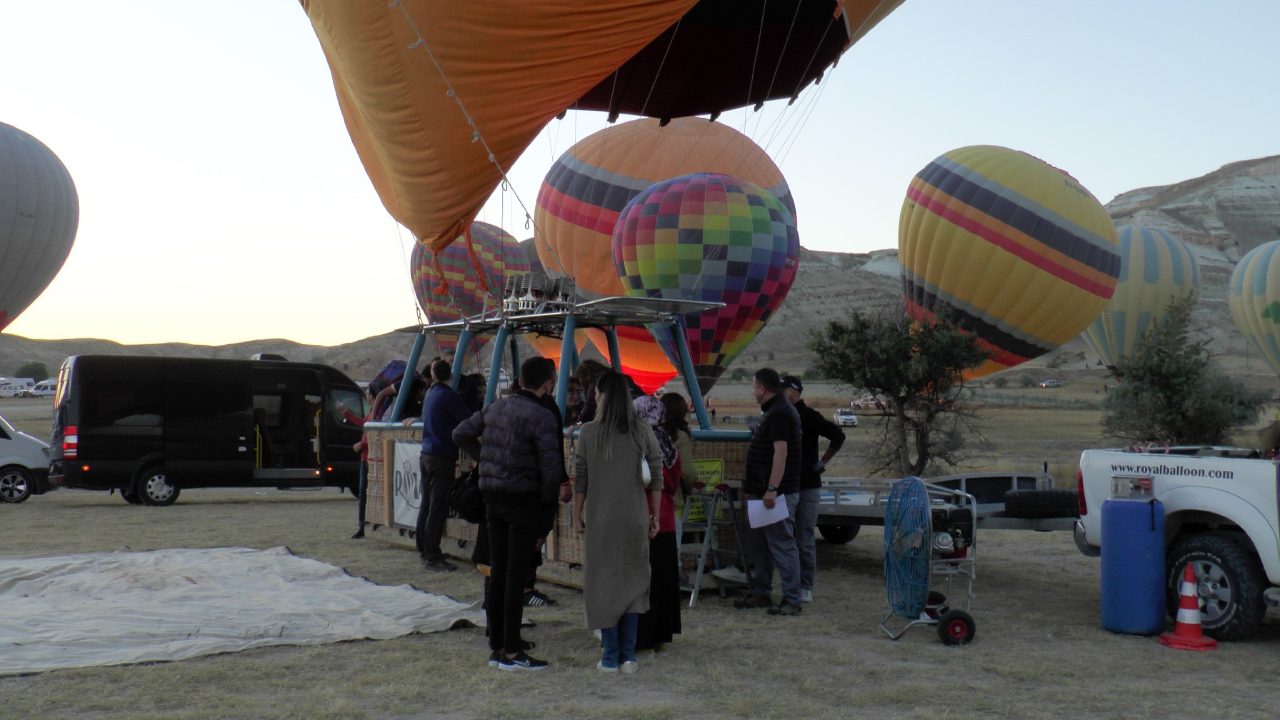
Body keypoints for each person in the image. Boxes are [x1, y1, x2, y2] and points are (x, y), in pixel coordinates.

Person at [454, 356, 564, 671]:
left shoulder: (495, 407)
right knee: (516, 575)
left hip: (492, 497)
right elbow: (552, 470)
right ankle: (512, 652)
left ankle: (498, 645)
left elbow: (460, 433)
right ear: (548, 383)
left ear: (519, 381)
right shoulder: (542, 416)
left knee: (499, 571)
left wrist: (486, 458)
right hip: (522, 500)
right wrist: (547, 515)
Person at [573, 371, 663, 673]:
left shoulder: (588, 432)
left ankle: (610, 656)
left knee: (602, 583)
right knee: (634, 582)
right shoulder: (642, 431)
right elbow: (656, 478)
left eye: (596, 393)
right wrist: (654, 516)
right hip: (635, 517)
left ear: (601, 395)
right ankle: (629, 656)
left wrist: (577, 515)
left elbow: (581, 479)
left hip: (601, 518)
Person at [734, 367, 804, 616]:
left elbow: (781, 452)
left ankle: (792, 600)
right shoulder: (775, 411)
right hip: (765, 491)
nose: (752, 391)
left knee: (782, 544)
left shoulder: (780, 413)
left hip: (776, 493)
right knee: (761, 545)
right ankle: (761, 592)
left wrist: (772, 488)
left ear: (762, 389)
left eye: (753, 386)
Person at [633, 392, 697, 653]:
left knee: (642, 580)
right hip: (667, 516)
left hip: (641, 516)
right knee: (663, 580)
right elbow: (678, 477)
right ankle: (661, 636)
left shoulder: (637, 444)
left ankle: (640, 634)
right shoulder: (669, 443)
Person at [780, 374, 846, 604]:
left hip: (807, 485)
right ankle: (791, 584)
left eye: (785, 389)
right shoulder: (779, 416)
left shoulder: (809, 416)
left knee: (804, 536)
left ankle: (805, 586)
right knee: (786, 537)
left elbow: (838, 435)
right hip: (786, 486)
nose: (781, 393)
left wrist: (823, 462)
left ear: (795, 392)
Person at [416, 359, 474, 572]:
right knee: (438, 507)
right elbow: (469, 419)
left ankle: (423, 548)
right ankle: (432, 555)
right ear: (450, 375)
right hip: (442, 457)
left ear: (433, 375)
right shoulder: (449, 396)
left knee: (426, 504)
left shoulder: (430, 394)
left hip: (426, 454)